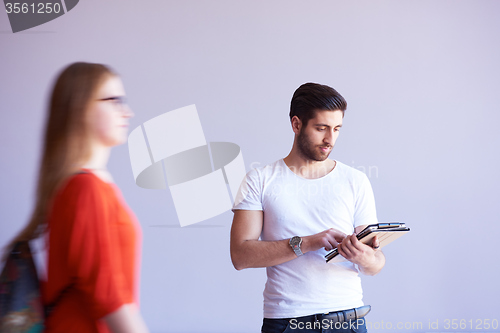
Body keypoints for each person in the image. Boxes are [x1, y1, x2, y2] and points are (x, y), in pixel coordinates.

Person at [5, 62, 149, 333]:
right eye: (114, 101)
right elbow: (110, 299)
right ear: (81, 107)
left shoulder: (91, 187)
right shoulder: (85, 190)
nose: (127, 112)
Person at [230, 83, 385, 333]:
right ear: (296, 124)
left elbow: (376, 264)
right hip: (287, 322)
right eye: (321, 128)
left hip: (348, 320)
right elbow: (240, 256)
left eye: (336, 129)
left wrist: (365, 257)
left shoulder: (356, 180)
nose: (330, 139)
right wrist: (309, 242)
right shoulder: (259, 180)